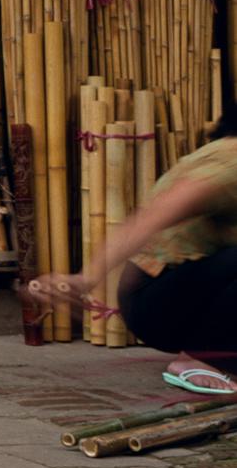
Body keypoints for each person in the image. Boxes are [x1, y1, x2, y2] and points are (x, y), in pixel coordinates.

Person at [25, 110, 237, 374]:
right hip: (157, 306)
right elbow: (151, 218)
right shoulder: (231, 162)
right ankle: (203, 360)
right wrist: (86, 278)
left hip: (186, 297)